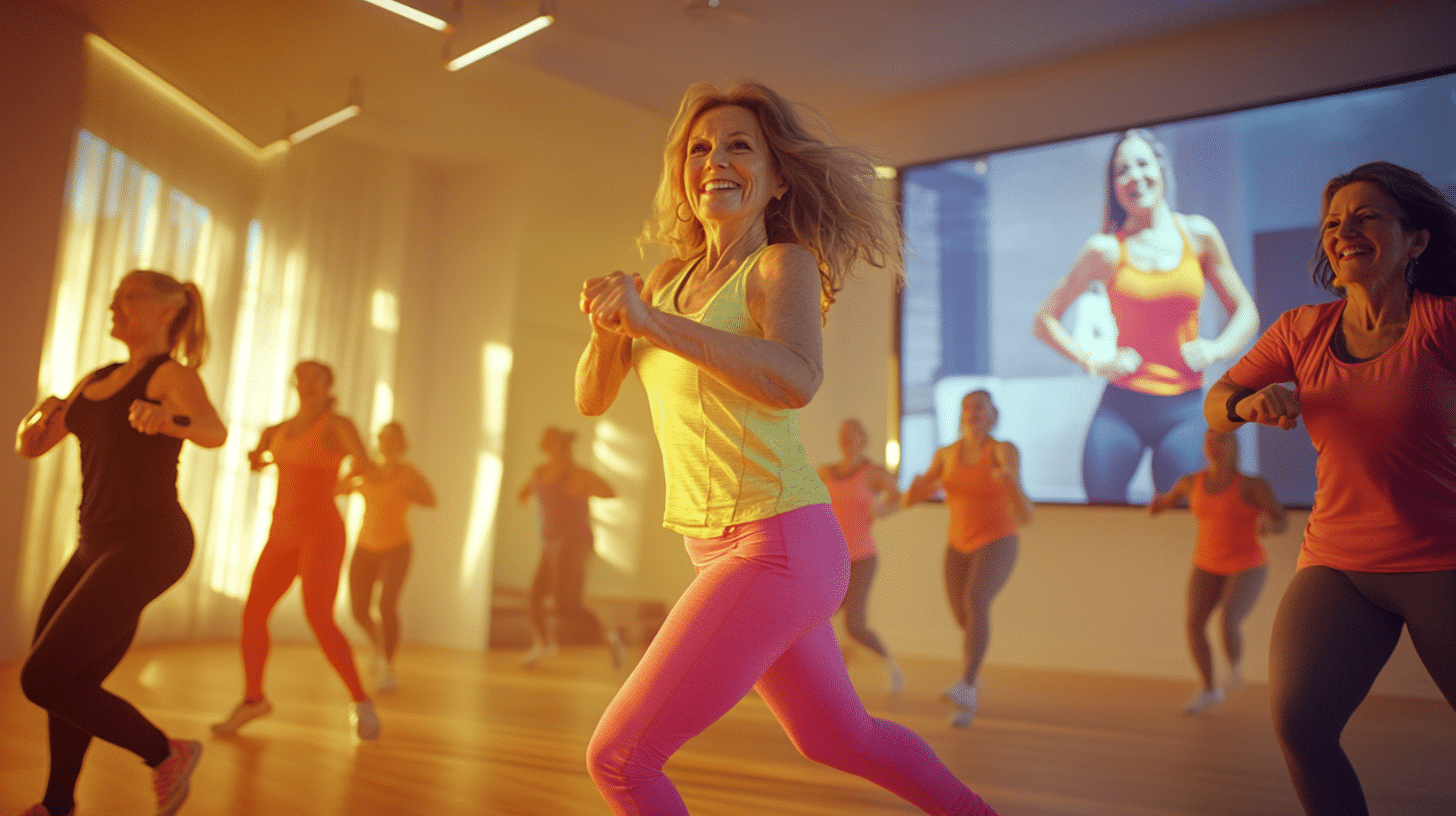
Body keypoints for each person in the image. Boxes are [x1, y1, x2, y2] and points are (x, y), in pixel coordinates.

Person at [576, 81, 998, 816]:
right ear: (683, 173)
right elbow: (591, 397)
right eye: (700, 148)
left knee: (618, 759)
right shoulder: (668, 282)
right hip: (716, 547)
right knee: (840, 738)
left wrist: (651, 325)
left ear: (775, 179)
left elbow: (797, 379)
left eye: (741, 145)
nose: (717, 159)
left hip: (779, 543)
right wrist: (610, 324)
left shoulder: (779, 267)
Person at [1205, 161, 1456, 816]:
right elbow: (1216, 400)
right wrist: (1248, 403)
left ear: (1416, 240)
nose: (1344, 231)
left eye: (1366, 215)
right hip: (1339, 564)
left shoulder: (1443, 325)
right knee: (1301, 724)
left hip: (1442, 560)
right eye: (1333, 222)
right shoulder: (1302, 330)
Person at [14, 269, 227, 816]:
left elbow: (212, 430)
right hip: (95, 543)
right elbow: (31, 448)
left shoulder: (171, 376)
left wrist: (167, 419)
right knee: (67, 678)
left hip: (152, 542)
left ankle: (166, 752)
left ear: (166, 311)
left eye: (130, 297)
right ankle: (57, 803)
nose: (115, 305)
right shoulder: (97, 378)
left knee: (43, 677)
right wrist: (40, 416)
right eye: (114, 298)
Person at [1032, 128, 1258, 503]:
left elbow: (1246, 311)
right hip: (1122, 408)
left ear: (1161, 167)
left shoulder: (1199, 235)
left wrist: (1216, 349)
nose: (1134, 177)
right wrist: (1094, 362)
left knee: (1180, 525)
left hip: (1185, 408)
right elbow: (1044, 320)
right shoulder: (1103, 250)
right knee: (1103, 521)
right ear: (1114, 185)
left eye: (1141, 164)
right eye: (1121, 171)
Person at [211, 360, 383, 740]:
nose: (307, 384)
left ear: (327, 385)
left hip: (321, 532)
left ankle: (361, 700)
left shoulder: (338, 426)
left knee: (319, 617)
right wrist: (256, 460)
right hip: (281, 534)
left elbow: (367, 467)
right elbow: (259, 460)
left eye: (315, 378)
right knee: (254, 614)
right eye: (301, 377)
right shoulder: (275, 430)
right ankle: (253, 699)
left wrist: (345, 484)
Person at [902, 390, 1033, 727]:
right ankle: (972, 675)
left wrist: (1011, 483)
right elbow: (914, 498)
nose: (972, 413)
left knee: (976, 603)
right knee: (963, 616)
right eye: (966, 408)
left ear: (992, 414)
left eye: (979, 407)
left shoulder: (1002, 451)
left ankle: (967, 687)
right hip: (957, 546)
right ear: (960, 416)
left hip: (997, 541)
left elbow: (1027, 513)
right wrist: (914, 489)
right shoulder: (946, 455)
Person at [1149, 429, 1286, 715]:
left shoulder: (1252, 485)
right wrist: (1158, 505)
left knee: (1228, 621)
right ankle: (1210, 690)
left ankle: (1235, 666)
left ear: (1235, 445)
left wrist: (1269, 525)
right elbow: (1168, 500)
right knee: (1194, 624)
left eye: (1221, 439)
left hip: (1247, 564)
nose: (1214, 445)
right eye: (1209, 440)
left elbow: (1280, 519)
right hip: (1206, 564)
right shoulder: (1191, 482)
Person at [337, 421, 436, 692]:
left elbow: (431, 499)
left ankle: (388, 667)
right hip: (365, 547)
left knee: (386, 606)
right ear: (377, 442)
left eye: (393, 439)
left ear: (402, 445)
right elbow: (336, 491)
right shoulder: (365, 469)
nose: (387, 443)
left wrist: (413, 494)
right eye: (382, 438)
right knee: (358, 609)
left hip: (397, 548)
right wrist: (350, 477)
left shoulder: (407, 473)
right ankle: (378, 644)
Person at [514, 426, 618, 667]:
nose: (542, 441)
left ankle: (608, 635)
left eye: (548, 438)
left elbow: (609, 491)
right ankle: (544, 643)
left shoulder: (576, 473)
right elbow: (524, 494)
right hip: (550, 543)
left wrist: (584, 490)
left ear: (561, 444)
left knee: (565, 606)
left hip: (574, 542)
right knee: (535, 597)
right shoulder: (538, 472)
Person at [818, 418, 903, 694]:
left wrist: (880, 511)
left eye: (854, 433)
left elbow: (897, 498)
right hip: (832, 559)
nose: (847, 437)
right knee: (821, 618)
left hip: (863, 557)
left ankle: (890, 667)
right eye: (843, 433)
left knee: (854, 624)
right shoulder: (824, 473)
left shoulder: (872, 472)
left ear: (863, 439)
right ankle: (839, 672)